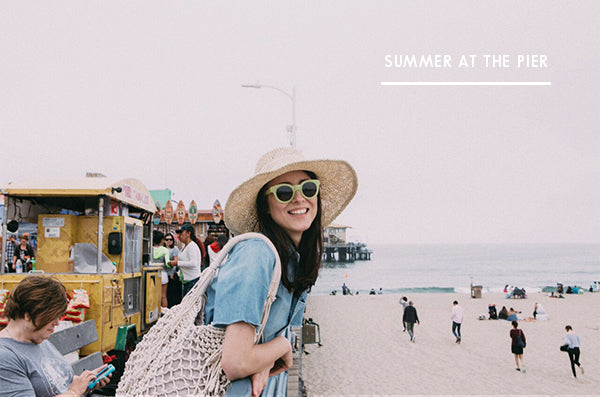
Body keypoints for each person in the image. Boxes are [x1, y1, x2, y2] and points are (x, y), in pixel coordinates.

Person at [204, 147, 357, 396]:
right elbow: (236, 362)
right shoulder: (256, 254)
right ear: (266, 205)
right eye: (284, 192)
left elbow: (262, 350)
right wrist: (282, 346)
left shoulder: (293, 263)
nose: (299, 199)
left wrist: (267, 358)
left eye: (307, 188)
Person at [0, 276, 111, 396]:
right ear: (28, 314)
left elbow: (58, 383)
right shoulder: (5, 356)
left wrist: (85, 382)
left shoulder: (39, 339)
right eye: (53, 316)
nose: (57, 322)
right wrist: (74, 392)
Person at [174, 224, 202, 297]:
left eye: (181, 233)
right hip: (187, 281)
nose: (179, 236)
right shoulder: (184, 246)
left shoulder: (192, 246)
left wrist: (177, 263)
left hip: (193, 281)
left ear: (188, 233)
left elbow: (193, 263)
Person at [152, 230, 171, 308]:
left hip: (152, 274)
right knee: (163, 296)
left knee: (153, 296)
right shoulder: (165, 250)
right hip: (163, 274)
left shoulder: (150, 249)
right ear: (161, 240)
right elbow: (168, 264)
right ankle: (164, 314)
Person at [164, 233, 182, 307]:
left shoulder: (175, 249)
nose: (169, 241)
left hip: (171, 274)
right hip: (164, 272)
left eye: (170, 239)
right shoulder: (163, 249)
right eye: (167, 239)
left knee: (171, 293)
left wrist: (172, 272)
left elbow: (175, 261)